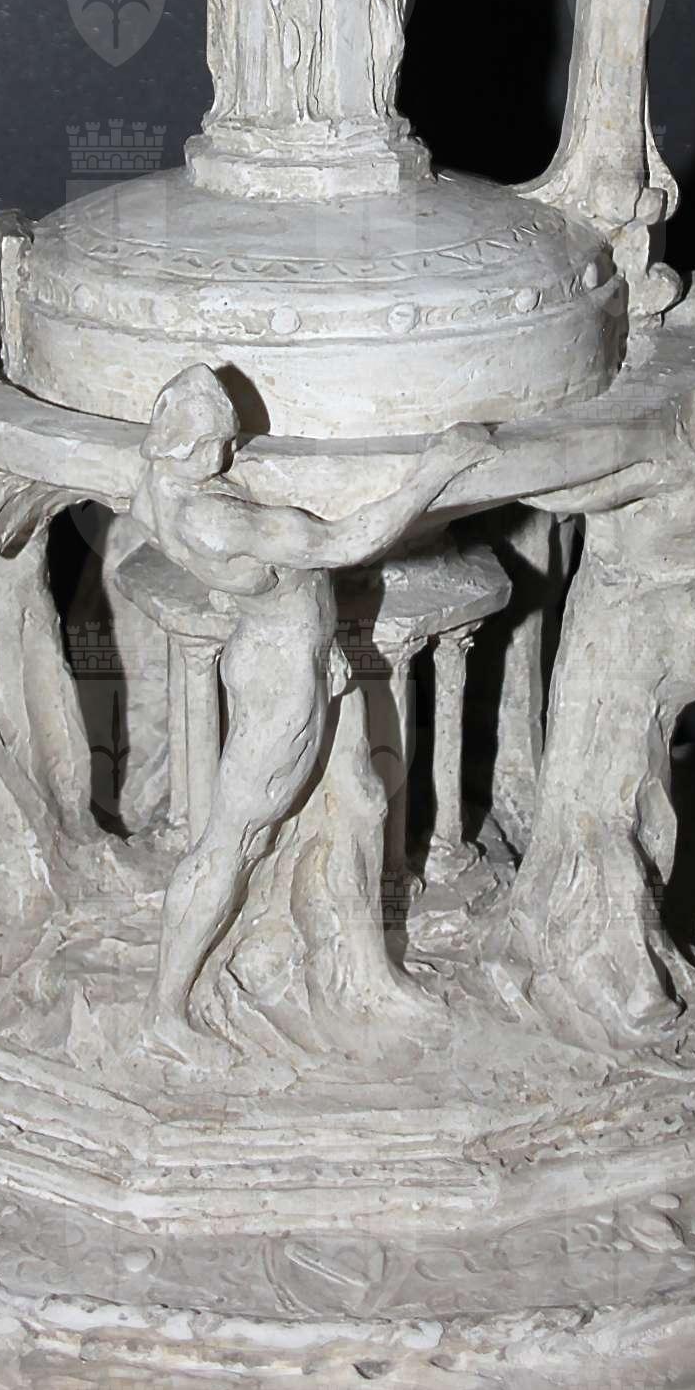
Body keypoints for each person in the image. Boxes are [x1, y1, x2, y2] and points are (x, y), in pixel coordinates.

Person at [127, 364, 492, 1057]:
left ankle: (365, 967)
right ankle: (164, 1011)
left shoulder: (155, 490)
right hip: (283, 677)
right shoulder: (216, 518)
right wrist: (436, 469)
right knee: (231, 842)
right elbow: (341, 543)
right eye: (220, 444)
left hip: (302, 656)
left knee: (361, 797)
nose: (229, 454)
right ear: (188, 447)